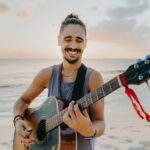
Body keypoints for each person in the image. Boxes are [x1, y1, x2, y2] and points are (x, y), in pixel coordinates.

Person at [13, 13, 105, 150]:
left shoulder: (93, 78)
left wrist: (91, 131)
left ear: (85, 43)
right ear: (59, 41)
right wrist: (18, 120)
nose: (73, 46)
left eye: (79, 40)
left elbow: (100, 121)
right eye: (68, 39)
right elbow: (22, 101)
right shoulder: (47, 75)